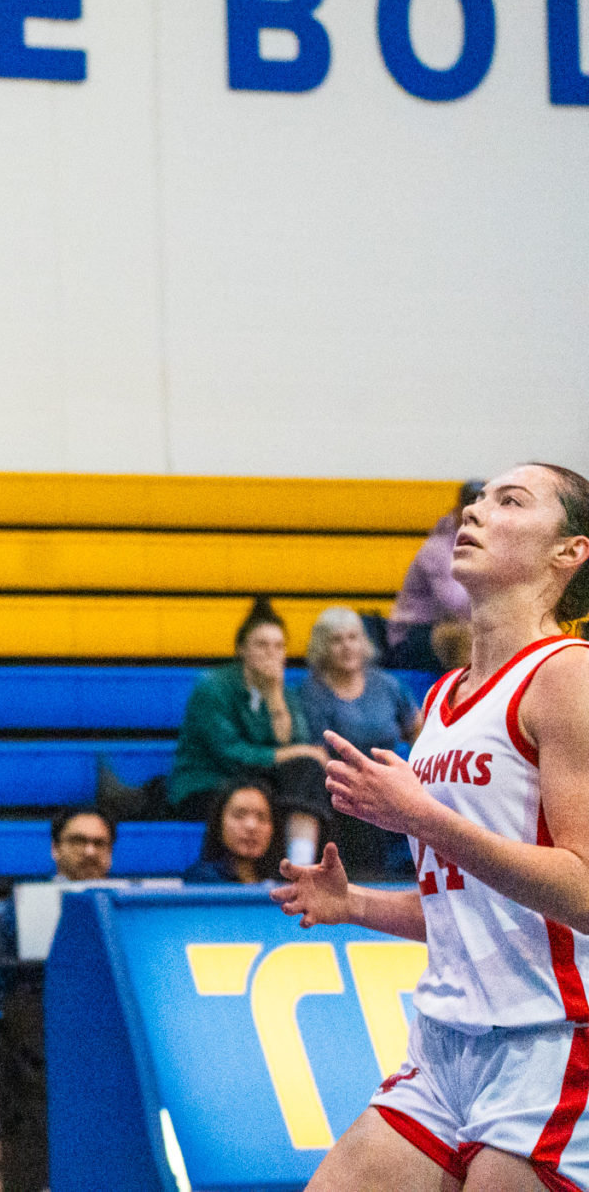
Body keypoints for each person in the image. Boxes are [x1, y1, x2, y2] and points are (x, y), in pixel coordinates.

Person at [272, 463, 589, 1191]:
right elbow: (473, 906)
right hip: (444, 1046)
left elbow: (582, 889)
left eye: (511, 501)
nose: (476, 511)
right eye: (478, 499)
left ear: (568, 551)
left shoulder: (568, 675)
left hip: (551, 1041)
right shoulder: (443, 696)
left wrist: (422, 816)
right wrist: (356, 906)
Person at [160, 602, 328, 866]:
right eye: (262, 645)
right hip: (208, 782)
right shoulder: (213, 688)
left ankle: (303, 865)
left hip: (259, 781)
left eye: (279, 646)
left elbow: (295, 748)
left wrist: (274, 695)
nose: (271, 653)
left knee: (316, 776)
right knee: (295, 773)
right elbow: (232, 755)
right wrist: (298, 752)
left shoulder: (285, 691)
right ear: (242, 649)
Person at [295, 608, 421, 876]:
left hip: (389, 777)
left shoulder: (388, 685)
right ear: (322, 647)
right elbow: (315, 751)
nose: (346, 646)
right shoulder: (311, 691)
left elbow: (417, 729)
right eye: (336, 640)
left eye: (353, 637)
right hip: (336, 783)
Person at [386, 479, 484, 673]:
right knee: (466, 636)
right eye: (470, 509)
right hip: (414, 633)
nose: (477, 517)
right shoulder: (438, 548)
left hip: (451, 627)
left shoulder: (484, 545)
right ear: (458, 511)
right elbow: (456, 603)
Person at [181, 784, 277, 885]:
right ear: (219, 823)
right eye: (239, 815)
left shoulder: (284, 880)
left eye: (262, 817)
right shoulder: (202, 878)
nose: (251, 826)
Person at [49, 807, 115, 883]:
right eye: (78, 842)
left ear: (110, 851)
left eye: (99, 843)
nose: (90, 852)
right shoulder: (37, 894)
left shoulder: (127, 893)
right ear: (55, 848)